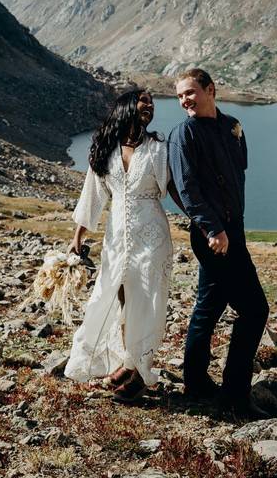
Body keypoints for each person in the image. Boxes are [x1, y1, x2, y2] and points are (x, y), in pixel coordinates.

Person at [167, 68, 270, 419]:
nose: (185, 100)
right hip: (213, 235)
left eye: (190, 93)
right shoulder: (183, 134)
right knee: (255, 310)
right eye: (180, 96)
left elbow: (238, 173)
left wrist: (230, 226)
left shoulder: (233, 127)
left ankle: (195, 382)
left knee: (208, 307)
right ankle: (235, 395)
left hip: (232, 230)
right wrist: (213, 228)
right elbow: (185, 189)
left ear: (211, 89)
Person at [64, 90, 174, 402]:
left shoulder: (158, 149)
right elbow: (92, 198)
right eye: (144, 101)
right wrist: (77, 239)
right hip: (117, 238)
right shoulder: (106, 150)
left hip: (152, 236)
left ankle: (139, 373)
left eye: (152, 103)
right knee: (119, 300)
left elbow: (177, 188)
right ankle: (128, 361)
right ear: (127, 107)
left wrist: (204, 221)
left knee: (146, 301)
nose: (150, 106)